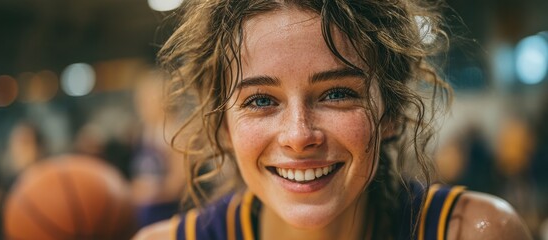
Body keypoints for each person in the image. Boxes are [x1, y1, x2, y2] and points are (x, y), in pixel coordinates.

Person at [134, 0, 532, 239]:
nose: (298, 135)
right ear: (223, 124)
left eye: (337, 94)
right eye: (259, 100)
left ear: (389, 111)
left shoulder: (476, 231)